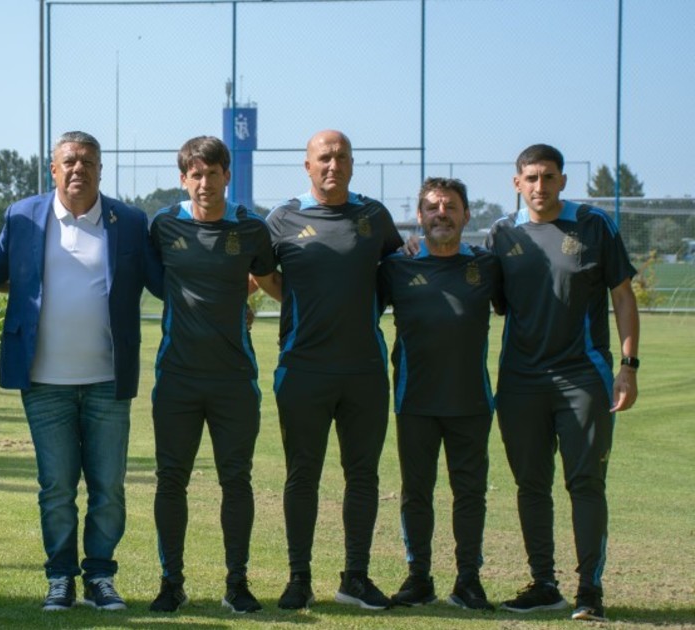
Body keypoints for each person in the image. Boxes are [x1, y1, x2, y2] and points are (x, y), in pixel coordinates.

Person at [0, 131, 162, 611]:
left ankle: (100, 576)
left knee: (108, 489)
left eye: (88, 161)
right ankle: (60, 577)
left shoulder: (129, 221)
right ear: (53, 169)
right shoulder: (22, 216)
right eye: (69, 161)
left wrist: (229, 295)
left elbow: (166, 281)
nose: (79, 168)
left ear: (100, 170)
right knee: (56, 488)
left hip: (107, 381)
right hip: (44, 382)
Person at [488, 144, 639, 622]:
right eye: (531, 178)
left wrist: (629, 366)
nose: (540, 186)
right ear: (517, 184)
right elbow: (486, 294)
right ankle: (543, 585)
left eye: (548, 177)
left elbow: (622, 295)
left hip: (582, 378)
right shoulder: (502, 233)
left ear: (563, 181)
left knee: (585, 482)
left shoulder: (594, 225)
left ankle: (589, 590)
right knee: (531, 484)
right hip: (520, 381)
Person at [254, 129, 404, 611]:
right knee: (303, 474)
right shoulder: (282, 218)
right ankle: (299, 578)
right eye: (324, 157)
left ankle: (355, 577)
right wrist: (297, 304)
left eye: (341, 157)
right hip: (303, 369)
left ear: (352, 164)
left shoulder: (374, 217)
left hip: (364, 370)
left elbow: (397, 270)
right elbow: (262, 274)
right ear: (308, 165)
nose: (333, 165)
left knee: (363, 475)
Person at [146, 136, 276, 614]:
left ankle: (237, 584)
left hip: (234, 379)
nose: (205, 183)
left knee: (236, 480)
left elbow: (270, 280)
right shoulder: (164, 225)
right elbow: (150, 276)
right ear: (184, 179)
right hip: (177, 379)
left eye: (213, 173)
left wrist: (241, 301)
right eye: (196, 175)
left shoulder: (251, 228)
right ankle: (171, 583)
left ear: (227, 175)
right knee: (170, 480)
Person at [378, 178, 502, 611]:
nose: (441, 214)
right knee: (416, 492)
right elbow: (357, 311)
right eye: (432, 207)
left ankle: (468, 579)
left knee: (470, 494)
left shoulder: (488, 265)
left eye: (450, 206)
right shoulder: (396, 266)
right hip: (415, 400)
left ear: (466, 214)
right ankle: (419, 578)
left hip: (471, 401)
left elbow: (521, 308)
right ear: (420, 216)